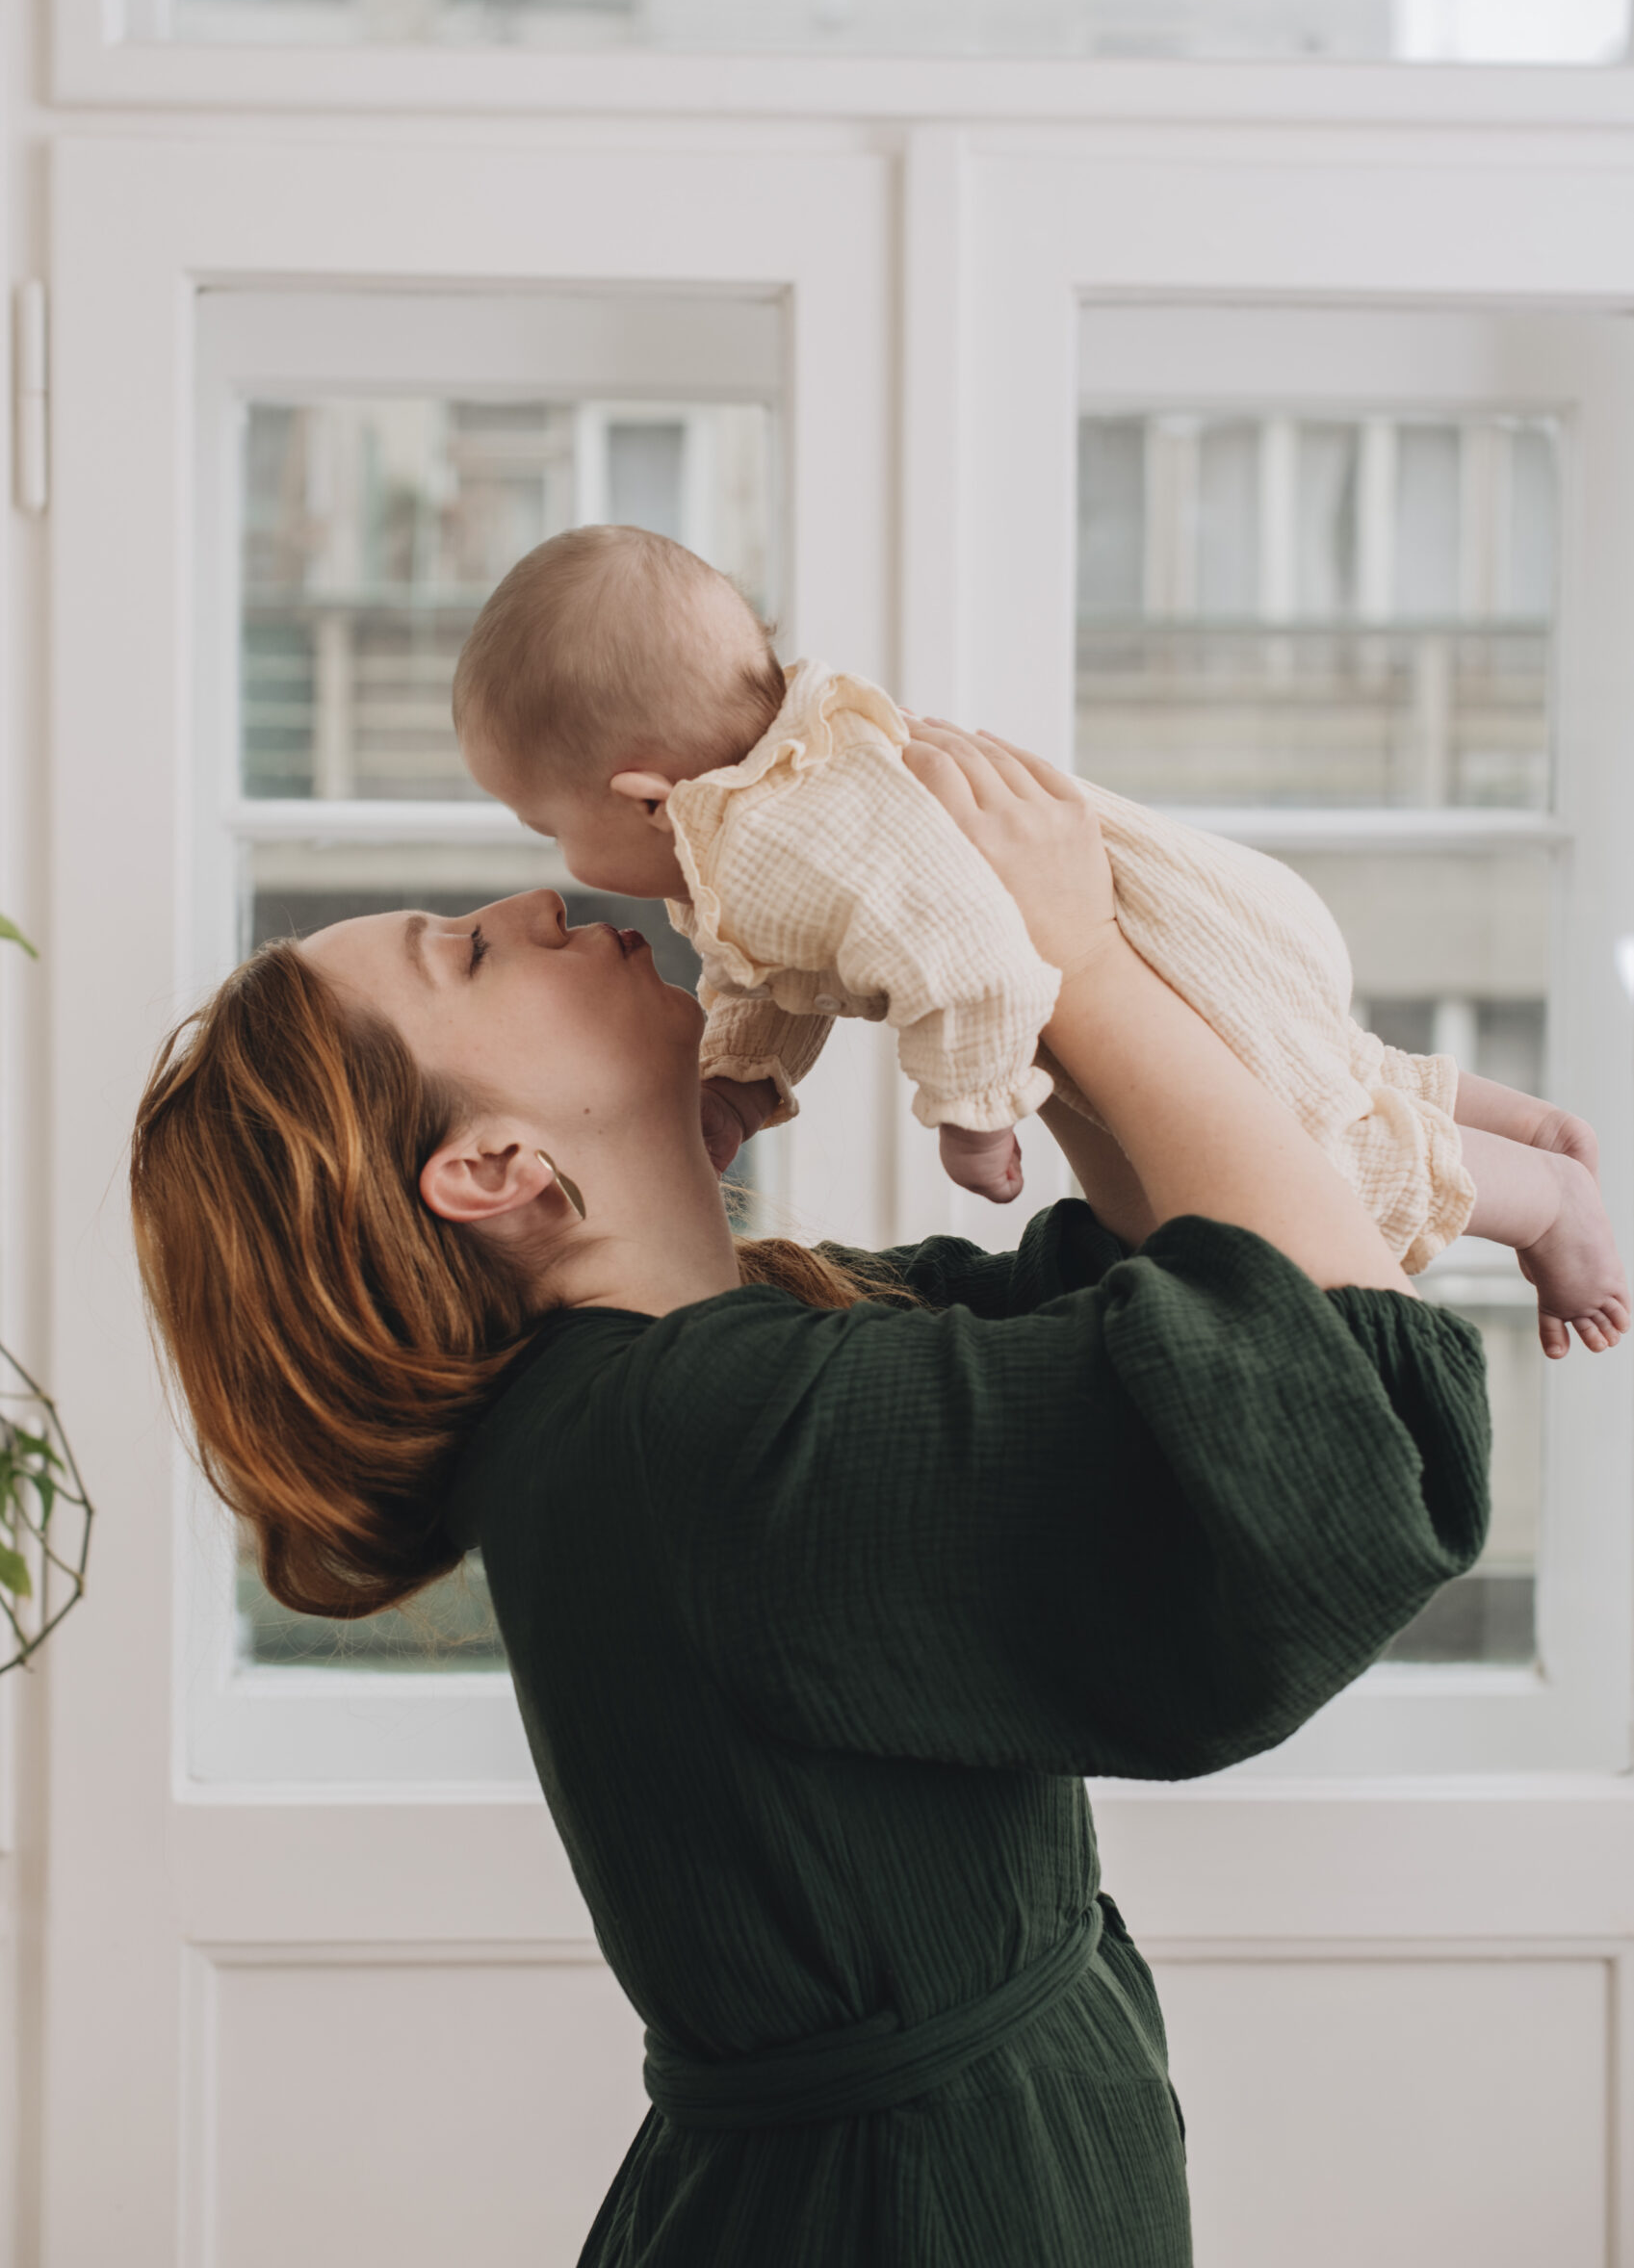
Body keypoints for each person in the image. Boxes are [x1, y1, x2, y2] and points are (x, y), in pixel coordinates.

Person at [131, 721, 1491, 2267]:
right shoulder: (686, 1439)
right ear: (493, 1165)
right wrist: (1086, 966)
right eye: (468, 956)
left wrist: (972, 951)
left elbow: (1169, 1285)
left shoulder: (710, 1368)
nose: (535, 909)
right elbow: (1352, 1422)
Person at [452, 524, 1628, 1358]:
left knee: (1304, 1160)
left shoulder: (777, 843)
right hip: (1192, 908)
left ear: (644, 794)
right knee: (1301, 1071)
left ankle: (1539, 1201)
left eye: (544, 825)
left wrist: (972, 1107)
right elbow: (784, 975)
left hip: (1150, 928)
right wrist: (742, 1084)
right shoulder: (760, 820)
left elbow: (960, 949)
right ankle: (1512, 1118)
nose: (553, 865)